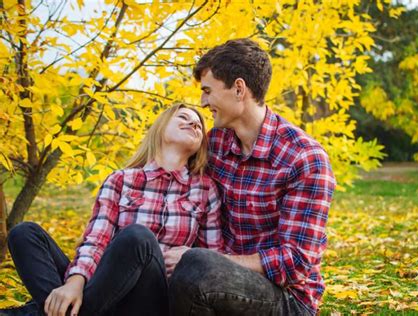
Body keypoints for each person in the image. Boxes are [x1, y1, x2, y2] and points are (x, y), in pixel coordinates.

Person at [166, 39, 336, 315]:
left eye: (208, 91)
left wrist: (212, 260)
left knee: (197, 268)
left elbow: (295, 262)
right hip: (216, 282)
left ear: (238, 88)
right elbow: (182, 193)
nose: (203, 101)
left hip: (287, 298)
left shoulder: (304, 157)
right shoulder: (217, 143)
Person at [2, 104, 223, 316]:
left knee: (138, 237)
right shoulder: (121, 180)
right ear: (161, 127)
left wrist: (190, 255)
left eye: (199, 125)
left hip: (154, 300)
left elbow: (214, 260)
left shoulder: (205, 189)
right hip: (103, 290)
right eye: (183, 118)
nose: (194, 125)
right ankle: (67, 309)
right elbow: (96, 239)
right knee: (24, 233)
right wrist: (74, 282)